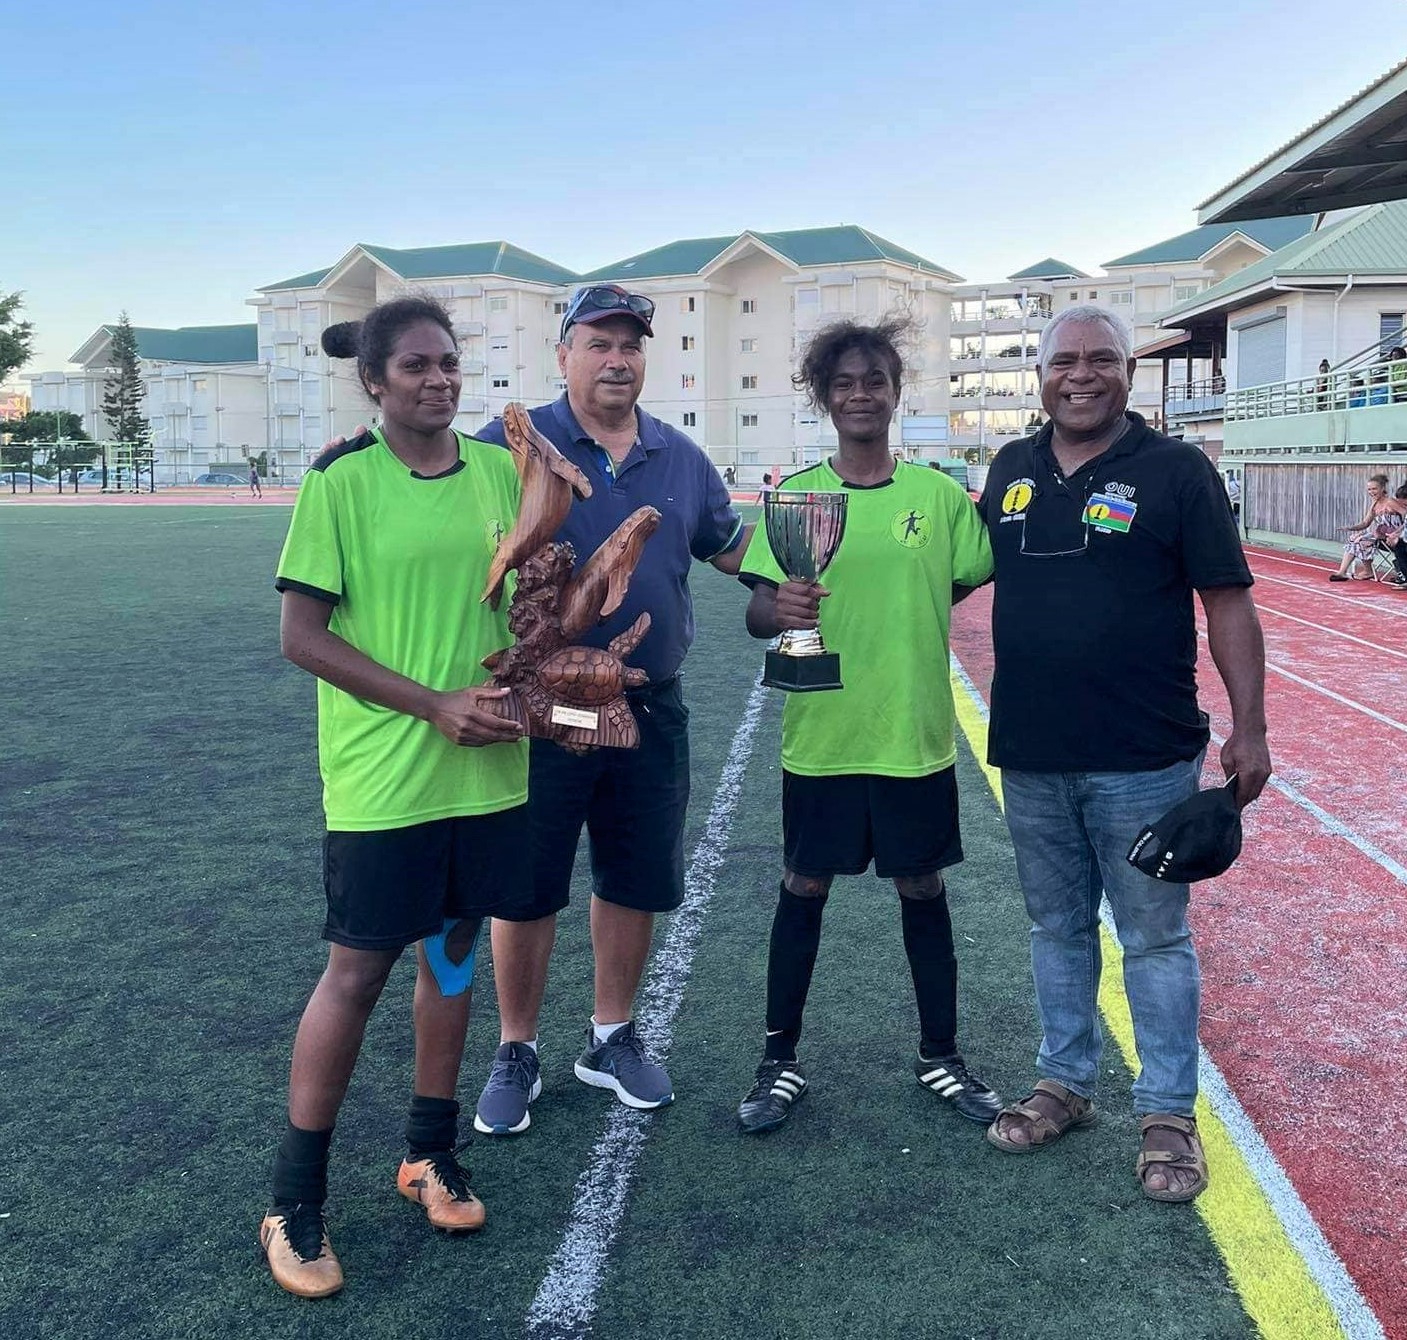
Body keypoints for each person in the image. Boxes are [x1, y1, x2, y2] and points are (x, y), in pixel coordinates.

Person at [261, 295, 530, 1298]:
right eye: (415, 365)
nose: (438, 379)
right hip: (385, 778)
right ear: (376, 381)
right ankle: (295, 1200)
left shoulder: (502, 473)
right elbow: (303, 637)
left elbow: (522, 599)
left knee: (455, 956)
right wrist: (433, 705)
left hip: (489, 769)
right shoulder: (341, 479)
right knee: (356, 975)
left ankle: (428, 1150)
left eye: (449, 362)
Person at [977, 305, 1270, 1202]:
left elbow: (1226, 602)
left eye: (1100, 359)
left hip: (1143, 758)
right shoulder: (1010, 467)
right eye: (1062, 360)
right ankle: (1065, 1083)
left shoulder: (1177, 470)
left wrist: (1248, 726)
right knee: (1054, 929)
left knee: (1152, 937)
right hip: (1029, 752)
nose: (1080, 374)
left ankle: (1167, 1113)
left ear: (1127, 373)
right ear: (1038, 375)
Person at [469, 284, 749, 1134]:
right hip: (538, 711)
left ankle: (611, 1035)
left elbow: (731, 548)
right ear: (562, 355)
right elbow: (443, 514)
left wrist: (810, 563)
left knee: (632, 875)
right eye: (597, 342)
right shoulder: (509, 444)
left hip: (645, 708)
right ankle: (516, 1046)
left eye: (629, 344)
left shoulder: (679, 456)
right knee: (525, 885)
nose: (616, 358)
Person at [734, 316, 1001, 1134]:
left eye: (873, 381)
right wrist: (777, 606)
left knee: (922, 885)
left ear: (894, 392)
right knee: (803, 886)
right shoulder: (795, 500)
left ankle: (939, 1056)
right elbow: (755, 612)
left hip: (912, 734)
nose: (859, 393)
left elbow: (957, 583)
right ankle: (778, 1062)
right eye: (842, 382)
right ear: (823, 396)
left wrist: (900, 621)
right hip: (822, 739)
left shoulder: (936, 496)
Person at [1329, 473, 1407, 581]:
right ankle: (1342, 571)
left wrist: (1397, 532)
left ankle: (1367, 571)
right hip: (1382, 535)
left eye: (1374, 489)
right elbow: (1365, 523)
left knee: (1361, 540)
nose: (1371, 492)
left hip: (1395, 535)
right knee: (1354, 537)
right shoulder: (1374, 504)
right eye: (1369, 489)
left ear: (1382, 488)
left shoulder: (1390, 502)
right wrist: (1350, 528)